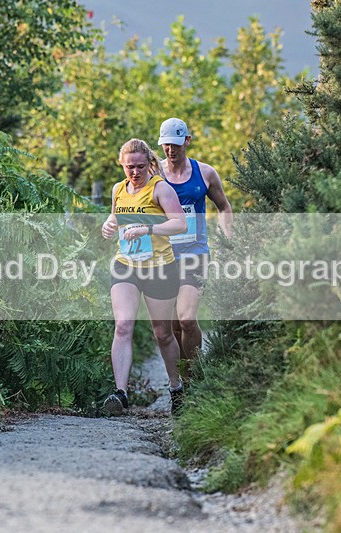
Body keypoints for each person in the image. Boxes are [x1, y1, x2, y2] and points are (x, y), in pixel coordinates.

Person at [101, 138, 188, 416]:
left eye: (139, 166)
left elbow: (179, 223)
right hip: (125, 264)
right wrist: (108, 224)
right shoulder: (118, 189)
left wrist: (147, 230)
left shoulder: (159, 189)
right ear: (122, 165)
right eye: (129, 167)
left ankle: (176, 387)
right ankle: (120, 393)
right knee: (123, 326)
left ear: (148, 163)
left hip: (159, 267)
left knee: (162, 334)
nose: (135, 173)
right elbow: (116, 219)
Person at [157, 118, 233, 385]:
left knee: (187, 318)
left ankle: (193, 379)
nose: (171, 150)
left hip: (195, 253)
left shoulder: (206, 173)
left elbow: (224, 207)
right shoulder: (155, 175)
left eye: (176, 144)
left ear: (187, 141)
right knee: (175, 327)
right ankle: (183, 384)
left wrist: (228, 237)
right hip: (164, 256)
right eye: (166, 144)